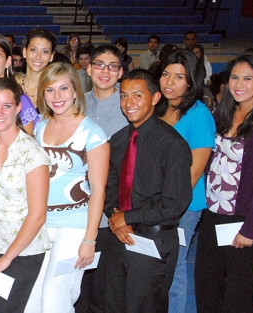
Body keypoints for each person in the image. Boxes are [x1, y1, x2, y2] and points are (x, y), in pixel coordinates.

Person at [195, 53, 253, 313]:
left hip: (244, 216)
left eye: (248, 78)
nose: (239, 84)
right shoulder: (223, 114)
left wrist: (250, 228)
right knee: (207, 284)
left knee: (238, 290)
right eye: (235, 77)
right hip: (213, 213)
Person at [104, 69, 192, 312]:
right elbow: (109, 186)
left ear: (154, 98)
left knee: (144, 307)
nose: (128, 103)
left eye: (136, 95)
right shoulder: (119, 140)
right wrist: (115, 216)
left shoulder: (172, 144)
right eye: (123, 96)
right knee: (113, 305)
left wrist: (128, 217)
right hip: (118, 236)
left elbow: (175, 202)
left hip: (153, 240)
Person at [26, 62, 109, 312]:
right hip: (39, 227)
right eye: (50, 90)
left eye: (64, 89)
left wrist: (89, 239)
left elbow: (98, 190)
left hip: (74, 227)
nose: (57, 96)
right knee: (31, 302)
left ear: (75, 91)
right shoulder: (39, 128)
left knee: (54, 302)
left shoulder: (93, 134)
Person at [0, 77, 50, 312]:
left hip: (22, 252)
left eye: (6, 105)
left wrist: (6, 259)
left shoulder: (32, 153)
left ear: (18, 107)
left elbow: (37, 216)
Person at [155, 50, 216, 313]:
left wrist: (168, 207)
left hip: (183, 207)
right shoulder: (158, 107)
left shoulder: (199, 115)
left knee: (174, 268)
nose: (169, 82)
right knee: (155, 267)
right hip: (154, 202)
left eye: (179, 77)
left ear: (191, 82)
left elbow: (195, 170)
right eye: (166, 74)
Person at [76, 43, 126, 313]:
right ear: (88, 67)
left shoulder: (129, 106)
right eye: (99, 65)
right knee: (77, 285)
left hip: (112, 213)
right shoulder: (76, 103)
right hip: (78, 209)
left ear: (120, 72)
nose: (105, 71)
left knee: (106, 287)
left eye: (112, 66)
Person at [18, 28, 56, 107]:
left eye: (45, 52)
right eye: (33, 50)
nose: (38, 57)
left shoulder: (56, 90)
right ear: (24, 52)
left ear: (51, 56)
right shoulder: (12, 86)